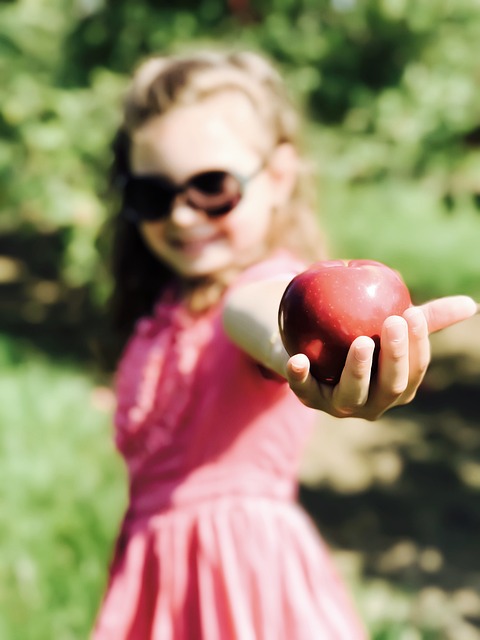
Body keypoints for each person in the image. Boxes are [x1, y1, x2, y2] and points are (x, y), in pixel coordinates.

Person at [91, 48, 477, 639]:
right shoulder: (168, 305)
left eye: (211, 187)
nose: (183, 215)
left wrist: (291, 349)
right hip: (156, 584)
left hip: (241, 586)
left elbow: (255, 310)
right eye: (152, 194)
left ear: (276, 177)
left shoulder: (260, 285)